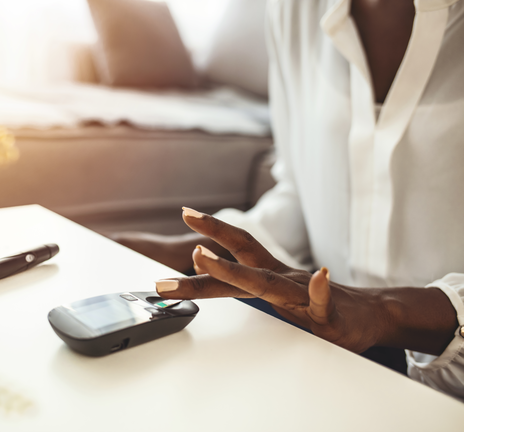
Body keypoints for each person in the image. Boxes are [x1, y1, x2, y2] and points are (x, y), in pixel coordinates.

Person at [112, 0, 464, 399]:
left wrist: (386, 311)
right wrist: (186, 252)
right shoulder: (293, 9)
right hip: (333, 352)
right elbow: (303, 193)